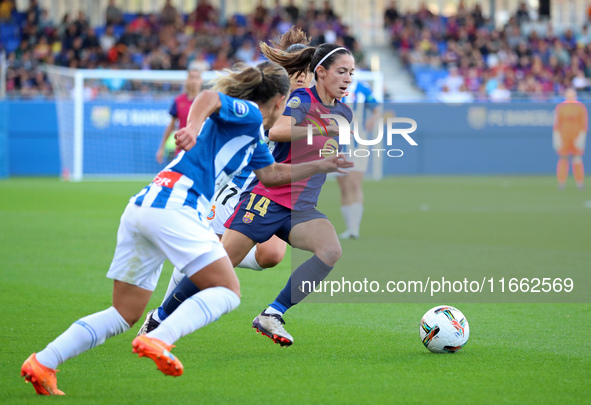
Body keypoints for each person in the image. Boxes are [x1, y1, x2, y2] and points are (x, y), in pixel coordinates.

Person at [20, 61, 352, 395]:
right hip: (175, 205)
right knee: (227, 291)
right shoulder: (250, 113)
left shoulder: (254, 138)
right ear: (280, 101)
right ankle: (159, 338)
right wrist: (192, 127)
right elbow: (209, 97)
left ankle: (44, 362)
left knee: (123, 314)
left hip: (143, 205)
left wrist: (321, 164)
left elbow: (272, 175)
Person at [138, 44, 354, 348]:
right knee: (218, 265)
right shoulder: (302, 98)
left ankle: (272, 314)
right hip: (268, 198)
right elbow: (277, 130)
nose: (347, 78)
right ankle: (160, 317)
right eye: (342, 71)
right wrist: (318, 128)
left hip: (302, 206)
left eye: (351, 73)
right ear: (321, 72)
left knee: (329, 251)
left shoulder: (344, 111)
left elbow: (328, 147)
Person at [338, 76, 380, 239]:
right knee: (344, 186)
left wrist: (372, 118)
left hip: (358, 142)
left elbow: (376, 107)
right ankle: (349, 227)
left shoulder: (362, 88)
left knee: (355, 183)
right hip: (337, 143)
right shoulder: (331, 86)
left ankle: (355, 228)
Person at [155, 68, 202, 164]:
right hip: (182, 150)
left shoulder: (207, 102)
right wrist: (162, 148)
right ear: (187, 80)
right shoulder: (178, 101)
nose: (194, 81)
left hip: (201, 149)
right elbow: (171, 125)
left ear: (201, 81)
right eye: (191, 77)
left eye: (196, 78)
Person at [553, 88, 587, 189]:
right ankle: (561, 182)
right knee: (563, 158)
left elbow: (583, 124)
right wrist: (557, 137)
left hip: (576, 136)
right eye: (568, 94)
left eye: (572, 94)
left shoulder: (580, 107)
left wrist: (581, 137)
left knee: (577, 158)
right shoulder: (561, 107)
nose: (570, 96)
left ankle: (579, 182)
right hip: (564, 137)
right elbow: (557, 124)